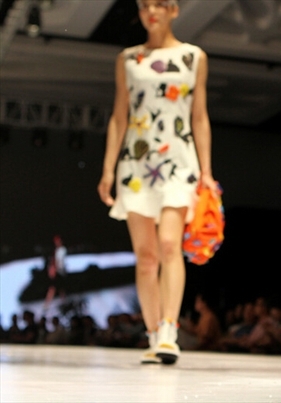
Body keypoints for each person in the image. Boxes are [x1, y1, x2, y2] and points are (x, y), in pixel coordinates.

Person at [97, 0, 218, 365]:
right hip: (137, 162)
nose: (152, 10)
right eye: (145, 4)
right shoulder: (128, 59)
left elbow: (199, 116)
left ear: (174, 10)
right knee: (146, 257)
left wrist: (207, 171)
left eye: (160, 3)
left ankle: (169, 331)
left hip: (179, 159)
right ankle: (153, 335)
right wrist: (108, 169)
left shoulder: (193, 57)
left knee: (169, 244)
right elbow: (119, 116)